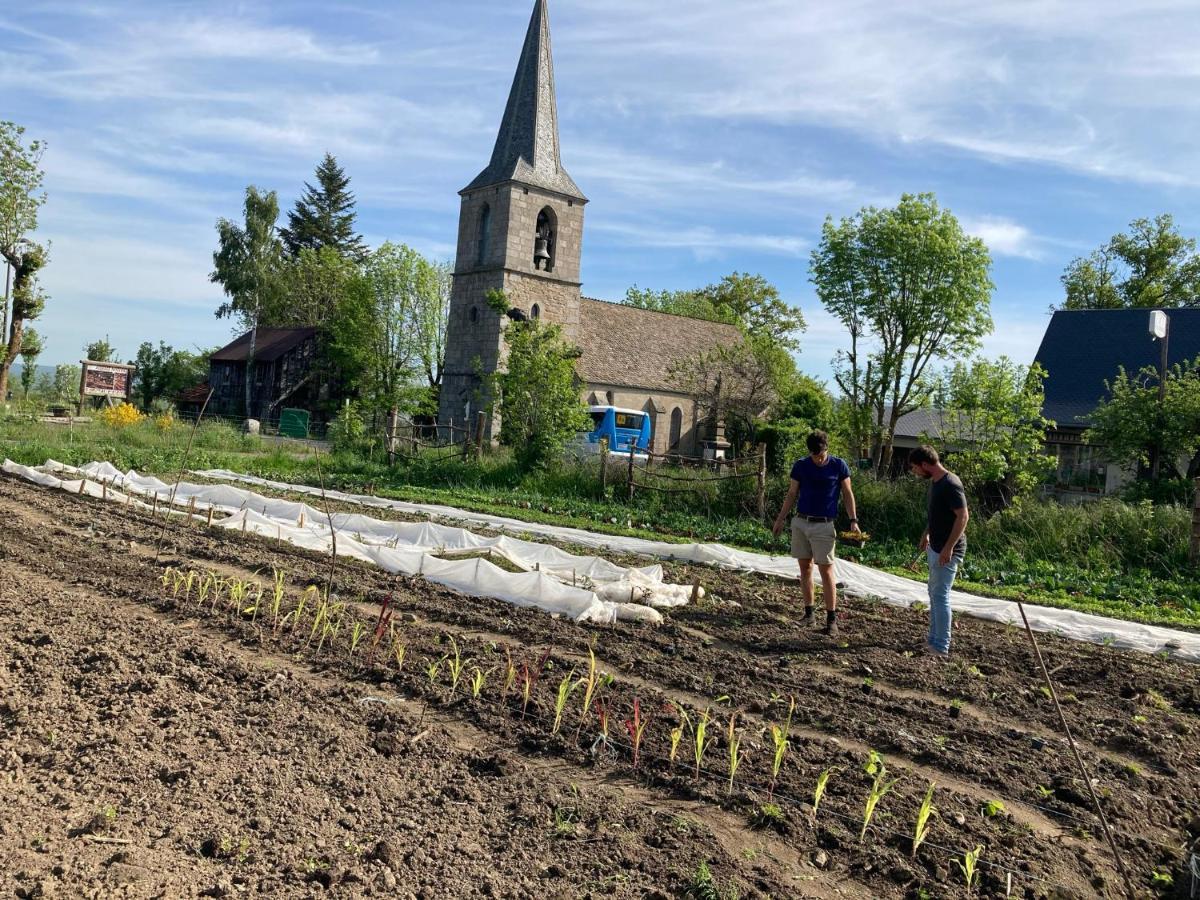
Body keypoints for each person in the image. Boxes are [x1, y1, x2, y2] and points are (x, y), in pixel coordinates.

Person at [772, 430, 860, 636]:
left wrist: (853, 520)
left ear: (826, 449)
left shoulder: (839, 466)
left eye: (821, 455)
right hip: (802, 522)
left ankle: (831, 620)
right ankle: (809, 614)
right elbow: (792, 494)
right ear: (809, 452)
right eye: (814, 455)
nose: (818, 459)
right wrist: (780, 519)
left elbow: (847, 493)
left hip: (824, 525)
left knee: (827, 570)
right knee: (805, 568)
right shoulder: (801, 466)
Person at [909, 445, 969, 657]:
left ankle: (941, 646)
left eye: (916, 468)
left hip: (948, 550)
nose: (915, 472)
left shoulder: (950, 483)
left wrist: (948, 548)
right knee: (933, 593)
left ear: (926, 465)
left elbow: (963, 516)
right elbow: (937, 514)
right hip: (936, 546)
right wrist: (927, 533)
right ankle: (932, 640)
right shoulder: (936, 483)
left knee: (941, 595)